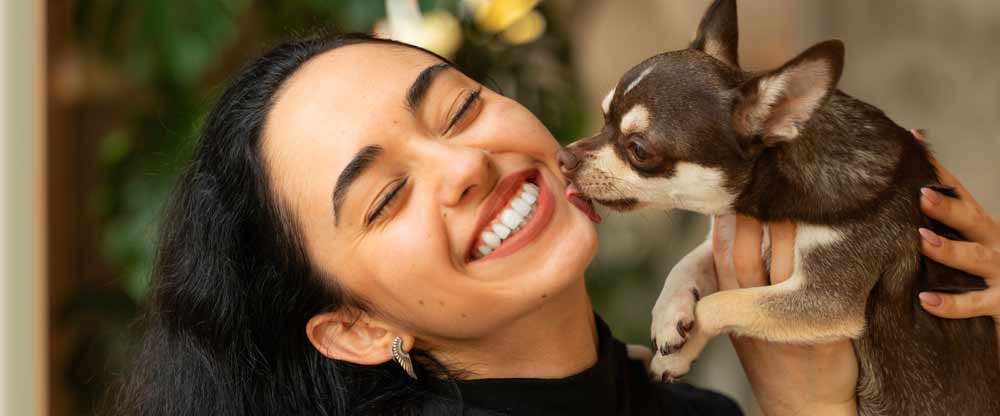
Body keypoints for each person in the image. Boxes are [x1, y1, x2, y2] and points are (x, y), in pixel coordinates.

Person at [110, 33, 1000, 416]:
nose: (466, 166)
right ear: (355, 327)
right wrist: (807, 402)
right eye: (385, 198)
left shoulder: (675, 404)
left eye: (457, 109)